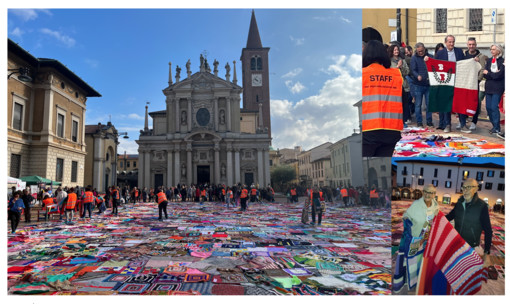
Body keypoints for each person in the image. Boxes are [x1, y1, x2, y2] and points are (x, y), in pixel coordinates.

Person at [393, 184, 439, 294]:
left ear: (434, 195)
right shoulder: (416, 205)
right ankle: (410, 281)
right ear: (423, 192)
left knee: (420, 262)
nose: (428, 194)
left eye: (431, 192)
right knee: (411, 261)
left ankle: (418, 280)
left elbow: (436, 222)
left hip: (426, 240)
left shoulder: (436, 207)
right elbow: (406, 215)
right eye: (426, 191)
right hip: (414, 239)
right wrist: (408, 226)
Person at [362, 40, 403, 157]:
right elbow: (403, 101)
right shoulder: (396, 74)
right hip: (391, 130)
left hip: (368, 130)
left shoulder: (362, 75)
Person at [445, 178, 492, 264]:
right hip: (457, 243)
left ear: (476, 189)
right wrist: (435, 219)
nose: (465, 190)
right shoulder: (459, 203)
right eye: (463, 187)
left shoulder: (482, 206)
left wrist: (487, 253)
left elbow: (488, 230)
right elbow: (449, 217)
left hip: (470, 246)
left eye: (469, 187)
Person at [432, 35, 466, 133]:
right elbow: (435, 65)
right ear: (446, 42)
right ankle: (448, 124)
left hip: (458, 81)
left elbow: (464, 63)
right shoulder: (440, 53)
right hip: (445, 82)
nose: (451, 44)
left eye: (453, 42)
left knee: (460, 103)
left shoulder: (459, 51)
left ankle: (463, 124)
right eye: (450, 42)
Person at [464, 37, 488, 131]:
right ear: (467, 45)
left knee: (475, 101)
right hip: (465, 82)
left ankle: (474, 121)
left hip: (475, 82)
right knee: (465, 101)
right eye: (469, 44)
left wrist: (477, 79)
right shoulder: (464, 55)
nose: (471, 46)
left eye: (473, 44)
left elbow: (482, 69)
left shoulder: (480, 56)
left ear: (476, 45)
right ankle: (464, 120)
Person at [483, 44, 505, 139]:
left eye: (494, 49)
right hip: (489, 87)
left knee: (493, 107)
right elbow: (485, 74)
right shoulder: (488, 61)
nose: (491, 51)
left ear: (499, 51)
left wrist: (490, 74)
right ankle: (493, 126)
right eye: (491, 49)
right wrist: (492, 74)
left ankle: (497, 127)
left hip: (497, 87)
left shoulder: (502, 61)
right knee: (488, 107)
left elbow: (499, 75)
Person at [410, 43, 433, 128]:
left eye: (422, 51)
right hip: (418, 84)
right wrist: (417, 76)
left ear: (424, 49)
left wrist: (429, 60)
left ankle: (429, 121)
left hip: (428, 84)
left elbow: (433, 66)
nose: (420, 53)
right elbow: (413, 70)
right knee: (418, 104)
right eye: (419, 51)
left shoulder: (430, 56)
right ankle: (419, 121)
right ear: (416, 50)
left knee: (429, 104)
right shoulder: (414, 58)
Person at [389, 44, 411, 127]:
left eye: (397, 50)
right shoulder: (388, 61)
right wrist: (397, 67)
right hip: (393, 86)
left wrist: (402, 67)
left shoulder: (402, 60)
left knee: (404, 104)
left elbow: (407, 72)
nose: (396, 51)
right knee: (395, 104)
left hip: (402, 85)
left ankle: (403, 121)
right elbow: (389, 73)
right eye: (394, 50)